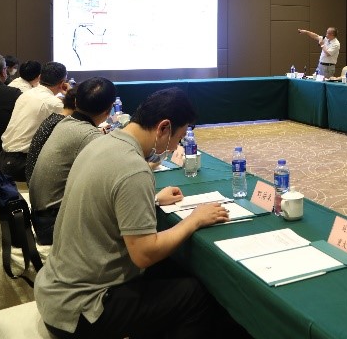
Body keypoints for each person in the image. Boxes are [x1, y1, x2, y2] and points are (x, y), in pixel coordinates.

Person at [34, 87, 234, 338]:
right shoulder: (134, 168)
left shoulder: (102, 142)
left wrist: (153, 199)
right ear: (164, 128)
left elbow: (106, 201)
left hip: (55, 290)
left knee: (173, 271)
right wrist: (194, 220)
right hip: (82, 310)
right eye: (179, 138)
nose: (175, 147)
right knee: (195, 296)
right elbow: (144, 254)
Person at [29, 77, 116, 245]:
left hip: (41, 216)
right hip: (54, 225)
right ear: (109, 110)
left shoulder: (64, 123)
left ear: (75, 102)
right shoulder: (89, 136)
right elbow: (113, 179)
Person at [0, 61, 70, 182]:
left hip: (4, 159)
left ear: (40, 77)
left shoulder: (26, 94)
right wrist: (69, 94)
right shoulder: (54, 103)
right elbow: (76, 121)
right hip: (21, 165)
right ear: (63, 83)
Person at [25, 88, 77, 185]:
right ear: (77, 103)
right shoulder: (63, 124)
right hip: (42, 184)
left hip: (35, 179)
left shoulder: (55, 118)